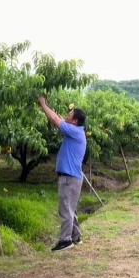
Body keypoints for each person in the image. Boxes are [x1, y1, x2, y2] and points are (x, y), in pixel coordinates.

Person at [37, 96, 86, 252]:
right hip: (73, 177)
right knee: (71, 208)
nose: (66, 116)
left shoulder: (74, 132)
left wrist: (42, 104)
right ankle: (75, 236)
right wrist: (49, 106)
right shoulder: (76, 131)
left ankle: (65, 241)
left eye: (69, 116)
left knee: (65, 209)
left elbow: (55, 120)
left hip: (69, 177)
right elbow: (57, 118)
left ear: (75, 121)